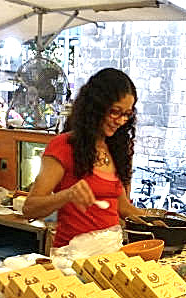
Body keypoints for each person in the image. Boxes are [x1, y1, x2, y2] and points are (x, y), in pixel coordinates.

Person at [22, 68, 143, 250]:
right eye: (115, 112)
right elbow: (30, 209)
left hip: (109, 255)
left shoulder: (116, 149)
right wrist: (68, 195)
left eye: (126, 114)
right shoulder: (64, 146)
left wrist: (154, 221)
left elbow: (123, 207)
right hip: (73, 256)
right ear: (96, 107)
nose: (120, 121)